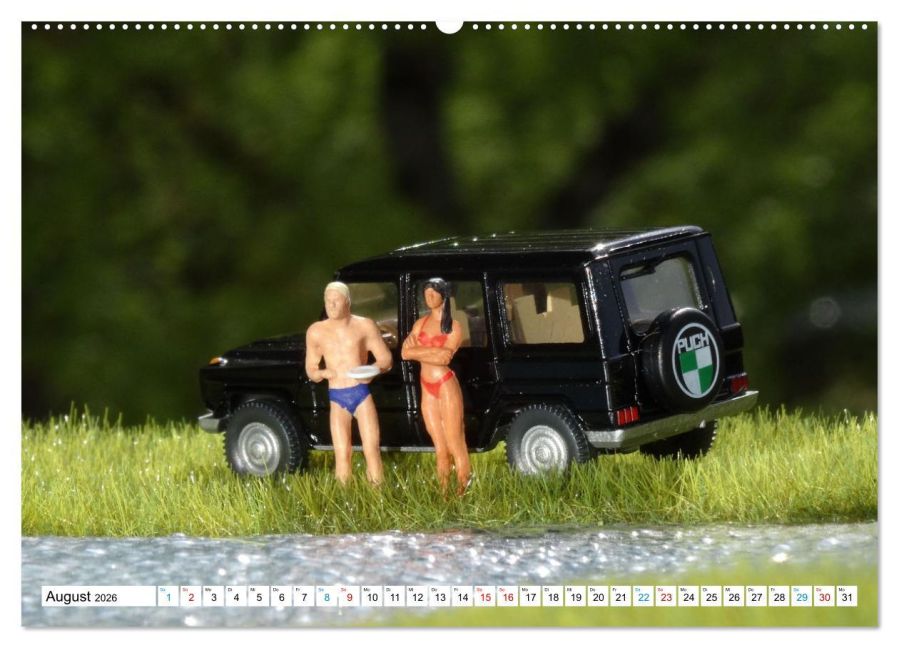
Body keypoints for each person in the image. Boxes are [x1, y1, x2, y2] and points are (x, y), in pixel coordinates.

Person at [305, 281, 392, 485]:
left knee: (372, 449)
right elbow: (311, 369)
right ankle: (345, 497)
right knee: (342, 452)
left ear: (348, 302)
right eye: (328, 301)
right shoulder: (316, 331)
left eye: (336, 300)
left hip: (361, 393)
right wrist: (322, 373)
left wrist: (372, 371)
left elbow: (386, 359)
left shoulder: (364, 326)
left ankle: (378, 494)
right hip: (337, 397)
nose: (331, 305)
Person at [402, 278, 471, 495]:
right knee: (439, 446)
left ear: (444, 296)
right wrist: (430, 352)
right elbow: (405, 353)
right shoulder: (420, 324)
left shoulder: (454, 326)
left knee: (455, 442)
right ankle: (444, 492)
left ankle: (463, 489)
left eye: (433, 293)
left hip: (445, 385)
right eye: (426, 294)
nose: (429, 297)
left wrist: (418, 351)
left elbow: (445, 358)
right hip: (427, 387)